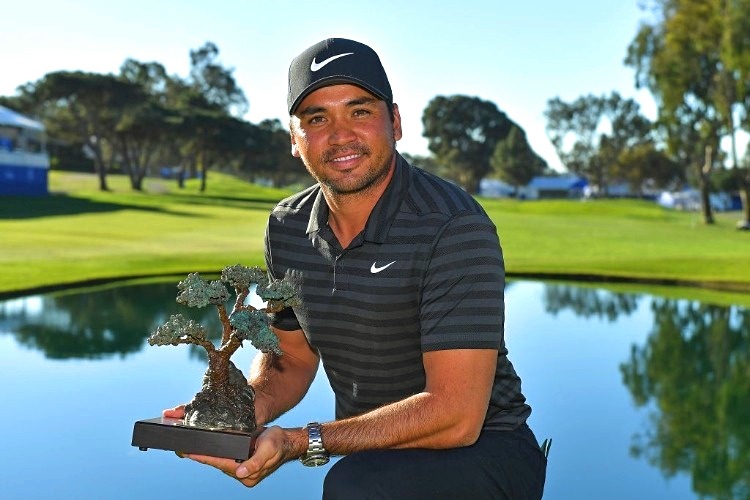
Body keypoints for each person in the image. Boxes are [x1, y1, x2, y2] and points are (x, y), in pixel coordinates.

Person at [165, 37, 547, 499]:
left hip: (488, 447)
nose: (340, 134)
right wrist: (236, 410)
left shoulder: (453, 225)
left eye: (360, 111)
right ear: (294, 139)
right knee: (360, 482)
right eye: (316, 118)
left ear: (396, 122)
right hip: (377, 452)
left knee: (354, 487)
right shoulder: (285, 227)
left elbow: (457, 415)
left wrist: (299, 442)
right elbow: (291, 359)